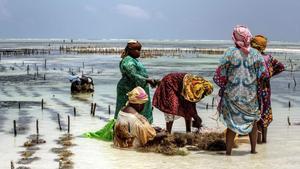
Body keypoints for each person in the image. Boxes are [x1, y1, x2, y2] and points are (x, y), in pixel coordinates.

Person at [213, 25, 267, 155]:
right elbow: (263, 74)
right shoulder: (256, 54)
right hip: (250, 95)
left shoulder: (229, 53)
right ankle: (253, 150)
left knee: (231, 124)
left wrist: (225, 85)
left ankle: (228, 152)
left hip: (232, 94)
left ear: (235, 37)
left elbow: (220, 73)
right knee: (252, 121)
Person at [250, 35, 285, 144]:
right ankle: (264, 141)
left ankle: (258, 141)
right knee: (265, 113)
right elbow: (281, 67)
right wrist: (269, 75)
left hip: (253, 90)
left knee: (255, 115)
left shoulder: (250, 58)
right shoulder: (269, 58)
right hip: (265, 90)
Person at [115, 40, 157, 124]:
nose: (139, 52)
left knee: (138, 109)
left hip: (135, 88)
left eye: (140, 50)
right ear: (130, 50)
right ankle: (127, 129)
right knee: (128, 110)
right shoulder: (128, 61)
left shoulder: (133, 59)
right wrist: (148, 80)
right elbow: (133, 75)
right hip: (129, 89)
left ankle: (141, 128)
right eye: (137, 50)